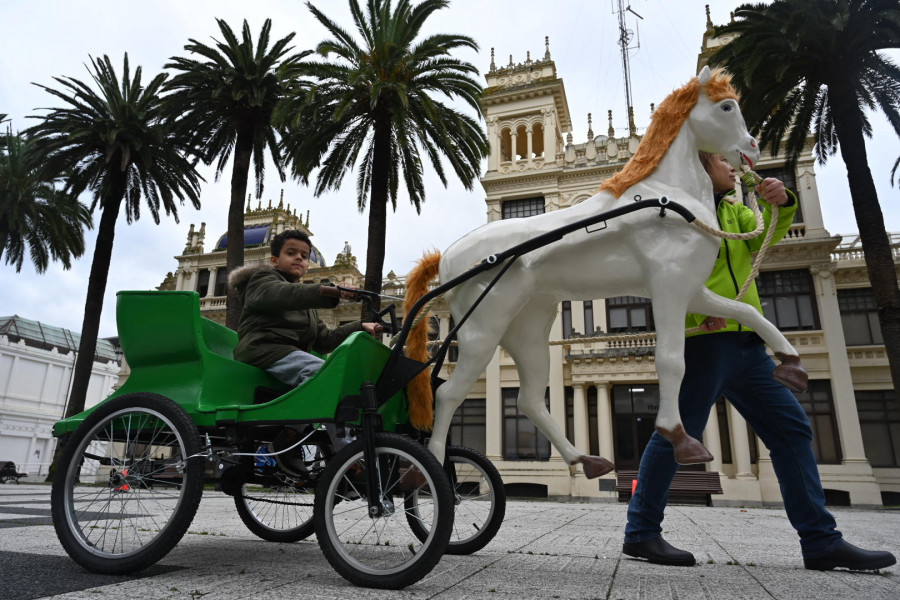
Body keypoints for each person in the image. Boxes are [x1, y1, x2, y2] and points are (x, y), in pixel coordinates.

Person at [622, 152, 897, 571]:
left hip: (751, 346)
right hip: (706, 342)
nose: (732, 167)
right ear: (699, 166)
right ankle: (641, 532)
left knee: (791, 430)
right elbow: (660, 276)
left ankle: (821, 542)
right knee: (676, 433)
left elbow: (762, 237)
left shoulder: (732, 213)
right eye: (720, 160)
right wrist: (697, 313)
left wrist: (781, 203)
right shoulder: (675, 215)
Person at [229, 230, 382, 473]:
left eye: (304, 255)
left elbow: (324, 340)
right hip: (263, 351)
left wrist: (358, 327)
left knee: (332, 375)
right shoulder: (261, 280)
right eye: (291, 253)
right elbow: (279, 294)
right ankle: (345, 456)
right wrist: (330, 291)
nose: (299, 258)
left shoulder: (306, 305)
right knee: (322, 373)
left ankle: (292, 436)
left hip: (286, 356)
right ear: (274, 260)